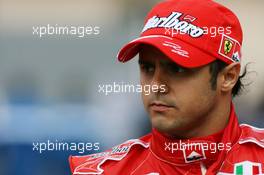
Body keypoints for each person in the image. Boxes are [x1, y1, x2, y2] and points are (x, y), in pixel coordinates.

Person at [69, 0, 264, 174]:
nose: (155, 86)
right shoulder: (99, 171)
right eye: (147, 68)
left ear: (228, 77)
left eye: (176, 69)